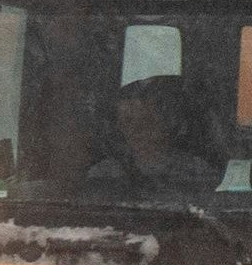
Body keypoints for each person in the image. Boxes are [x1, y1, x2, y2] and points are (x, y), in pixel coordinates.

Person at [86, 74, 224, 191]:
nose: (136, 128)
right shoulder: (104, 174)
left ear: (167, 122)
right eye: (128, 121)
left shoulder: (197, 171)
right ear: (119, 127)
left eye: (146, 119)